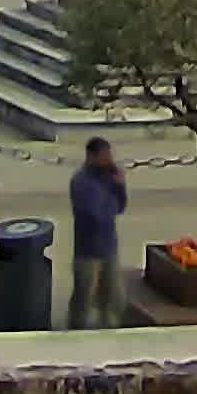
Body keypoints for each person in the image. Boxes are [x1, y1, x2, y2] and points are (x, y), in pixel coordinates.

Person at [64, 136, 128, 328]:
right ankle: (76, 332)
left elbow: (121, 207)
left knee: (115, 298)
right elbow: (93, 215)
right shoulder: (81, 182)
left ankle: (110, 330)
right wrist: (111, 204)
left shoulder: (108, 178)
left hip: (109, 248)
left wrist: (120, 185)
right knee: (83, 299)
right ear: (91, 157)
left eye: (109, 155)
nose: (108, 160)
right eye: (104, 156)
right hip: (87, 252)